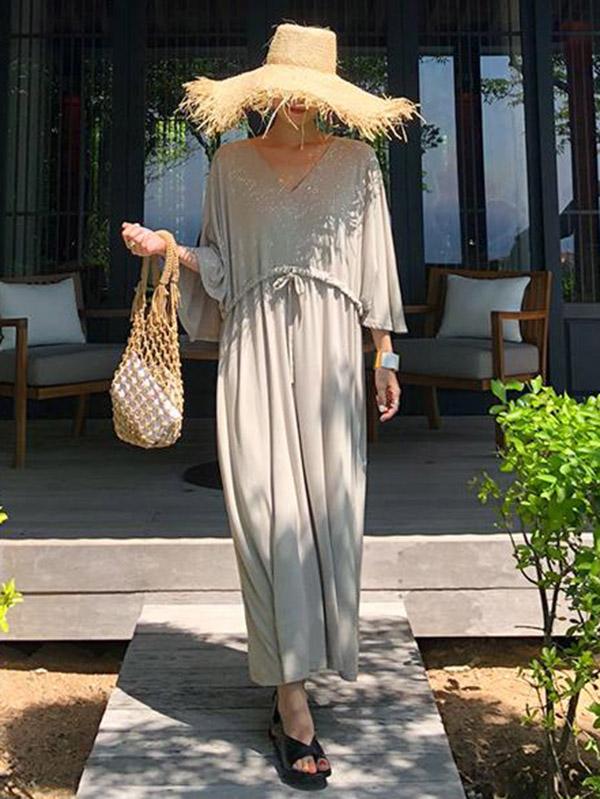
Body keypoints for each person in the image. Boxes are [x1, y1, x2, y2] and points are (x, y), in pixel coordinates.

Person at [121, 21, 421, 789]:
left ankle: (305, 670)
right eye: (286, 90)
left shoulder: (358, 163)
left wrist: (384, 354)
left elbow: (376, 263)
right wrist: (169, 250)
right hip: (253, 350)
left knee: (327, 515)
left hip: (330, 360)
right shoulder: (229, 163)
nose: (296, 103)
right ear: (265, 91)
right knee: (263, 513)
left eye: (309, 93)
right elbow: (219, 262)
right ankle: (291, 700)